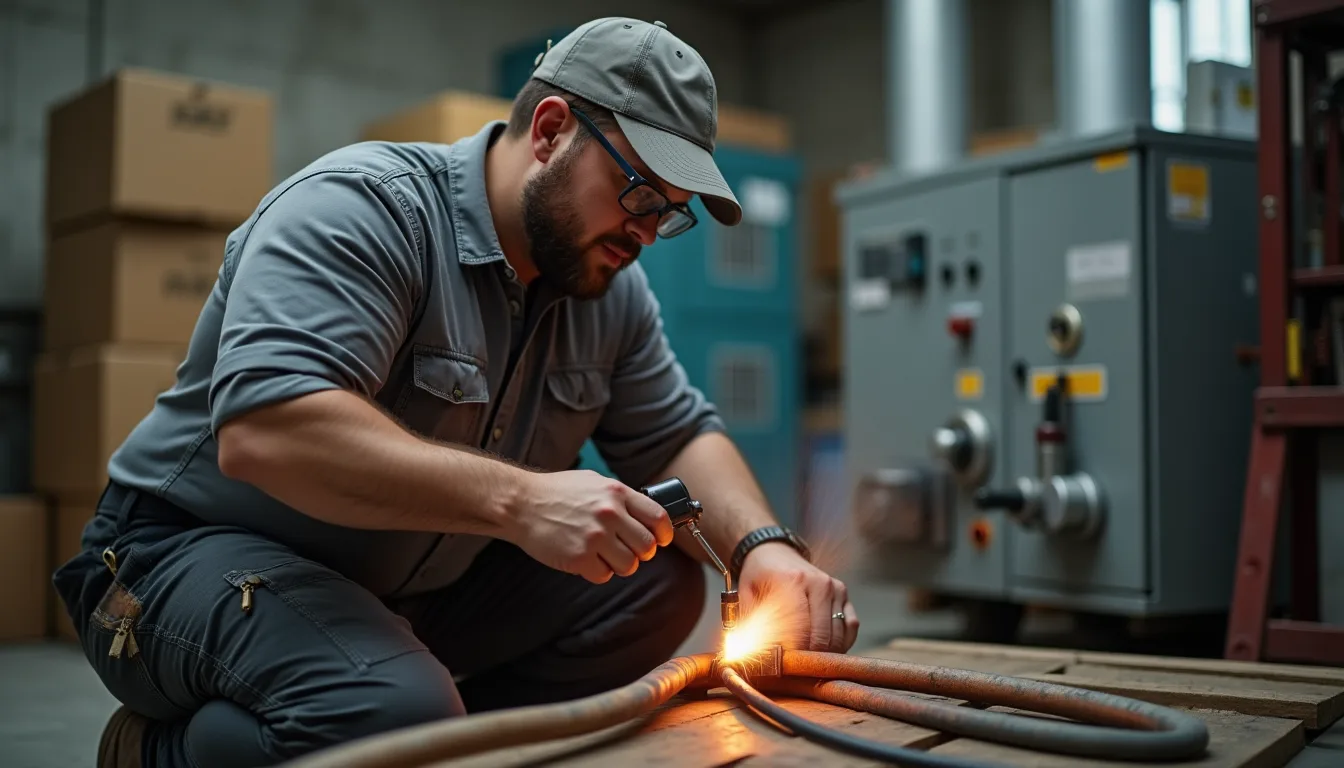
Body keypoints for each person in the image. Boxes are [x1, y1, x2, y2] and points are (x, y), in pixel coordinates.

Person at [54, 16, 860, 768]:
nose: (647, 233)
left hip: (399, 588)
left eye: (670, 215)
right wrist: (522, 501)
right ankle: (161, 751)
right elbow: (270, 431)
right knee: (390, 710)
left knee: (651, 578)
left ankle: (426, 729)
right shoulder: (366, 210)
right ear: (549, 132)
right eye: (642, 194)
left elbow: (677, 432)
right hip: (177, 563)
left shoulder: (607, 289)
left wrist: (765, 550)